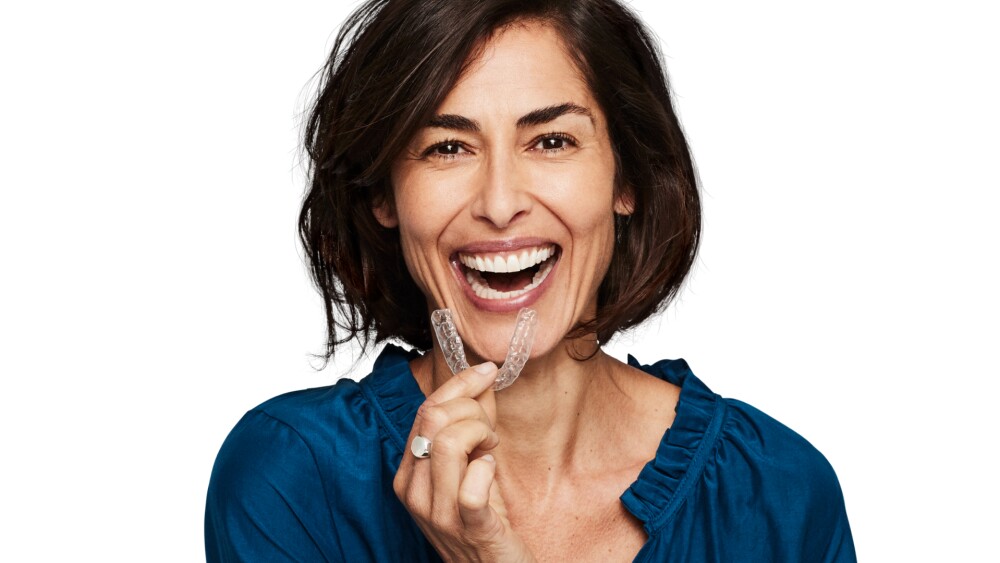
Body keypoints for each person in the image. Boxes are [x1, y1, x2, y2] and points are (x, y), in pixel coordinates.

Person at [205, 0, 856, 560]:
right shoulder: (292, 479)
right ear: (385, 193)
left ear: (624, 178)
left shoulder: (779, 494)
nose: (499, 200)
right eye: (447, 147)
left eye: (550, 141)